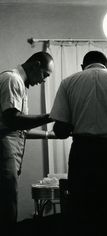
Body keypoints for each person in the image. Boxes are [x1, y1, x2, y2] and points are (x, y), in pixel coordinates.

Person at [50, 50, 107, 235]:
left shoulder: (68, 82)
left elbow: (60, 131)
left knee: (82, 210)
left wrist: (76, 122)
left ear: (82, 67)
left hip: (81, 153)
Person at [0, 51, 54, 231]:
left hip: (9, 149)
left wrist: (49, 135)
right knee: (7, 206)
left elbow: (20, 130)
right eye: (45, 75)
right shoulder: (12, 79)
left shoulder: (20, 85)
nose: (43, 80)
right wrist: (50, 117)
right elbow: (12, 121)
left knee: (7, 203)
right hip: (4, 149)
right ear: (36, 65)